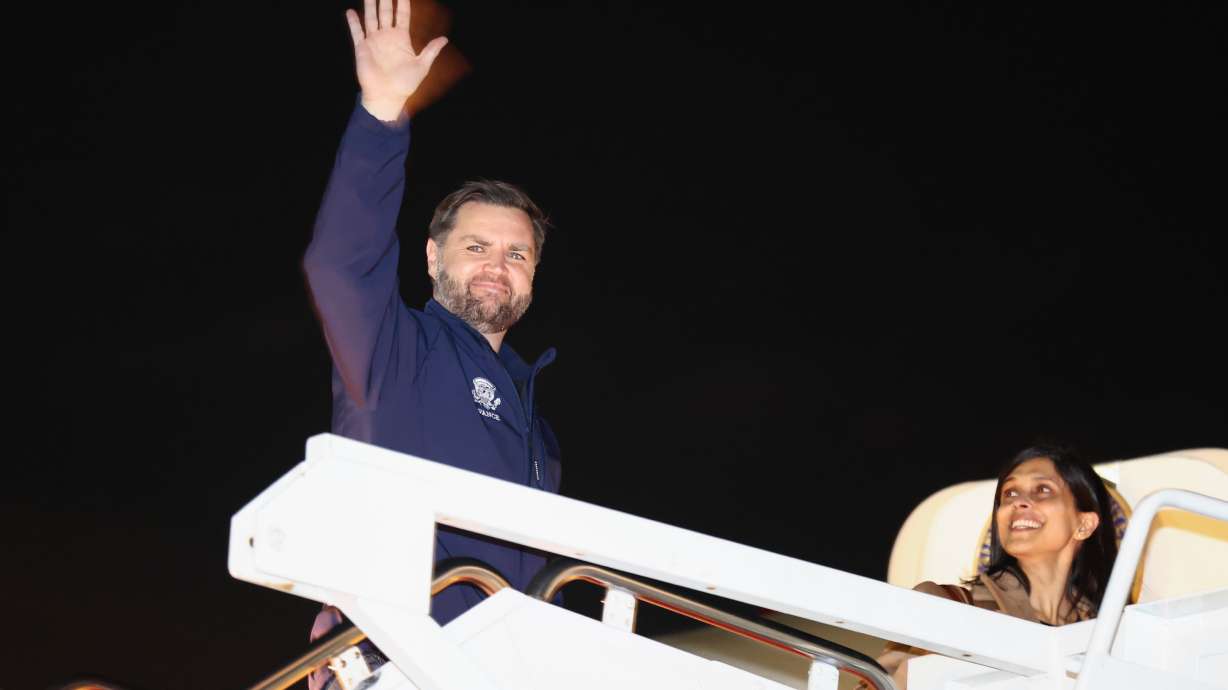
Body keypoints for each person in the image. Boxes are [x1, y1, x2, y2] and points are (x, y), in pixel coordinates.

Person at [301, 0, 561, 686]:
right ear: (431, 258)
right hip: (399, 666)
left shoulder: (541, 435)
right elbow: (341, 263)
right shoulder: (394, 352)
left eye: (517, 254)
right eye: (476, 247)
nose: (496, 266)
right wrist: (382, 114)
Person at [874, 444, 1119, 689]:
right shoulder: (947, 606)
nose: (1019, 502)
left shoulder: (1108, 638)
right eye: (1010, 493)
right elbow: (876, 683)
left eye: (1043, 490)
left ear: (1084, 524)